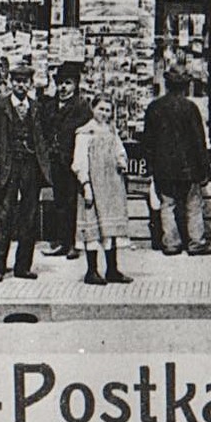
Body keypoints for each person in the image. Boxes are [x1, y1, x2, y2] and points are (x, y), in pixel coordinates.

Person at [0, 61, 51, 282]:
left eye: (25, 82)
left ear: (30, 84)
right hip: (7, 169)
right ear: (10, 83)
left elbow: (46, 136)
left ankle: (23, 266)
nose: (20, 85)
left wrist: (43, 162)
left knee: (29, 218)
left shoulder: (37, 107)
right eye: (17, 81)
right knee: (3, 216)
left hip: (30, 167)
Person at [142, 65, 211, 256]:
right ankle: (196, 242)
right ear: (185, 86)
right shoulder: (190, 108)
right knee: (193, 205)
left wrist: (150, 166)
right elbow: (199, 141)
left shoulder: (154, 107)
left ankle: (171, 243)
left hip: (163, 168)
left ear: (167, 83)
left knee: (167, 205)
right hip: (188, 168)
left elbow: (147, 141)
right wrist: (204, 169)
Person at [74, 95, 133, 285]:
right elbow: (79, 162)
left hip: (112, 184)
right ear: (93, 108)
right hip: (93, 184)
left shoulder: (111, 131)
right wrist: (86, 185)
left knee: (110, 230)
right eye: (101, 109)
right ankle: (91, 271)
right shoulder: (85, 133)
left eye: (108, 110)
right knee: (93, 228)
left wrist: (121, 161)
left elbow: (119, 150)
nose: (104, 114)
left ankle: (112, 269)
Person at [41, 62, 93, 260]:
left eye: (68, 83)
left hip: (72, 161)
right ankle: (62, 241)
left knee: (72, 202)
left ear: (76, 85)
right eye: (60, 83)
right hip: (54, 161)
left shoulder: (81, 106)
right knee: (59, 202)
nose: (63, 87)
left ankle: (72, 243)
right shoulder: (50, 105)